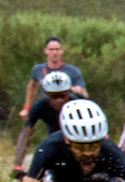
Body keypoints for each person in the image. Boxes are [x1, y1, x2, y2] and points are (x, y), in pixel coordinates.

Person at [11, 38, 90, 166]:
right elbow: (32, 86)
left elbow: (85, 94)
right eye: (51, 49)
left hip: (68, 110)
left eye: (57, 49)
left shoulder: (71, 70)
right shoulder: (38, 69)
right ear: (46, 51)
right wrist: (26, 106)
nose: (54, 52)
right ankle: (20, 165)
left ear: (62, 51)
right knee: (34, 131)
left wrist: (76, 89)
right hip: (47, 109)